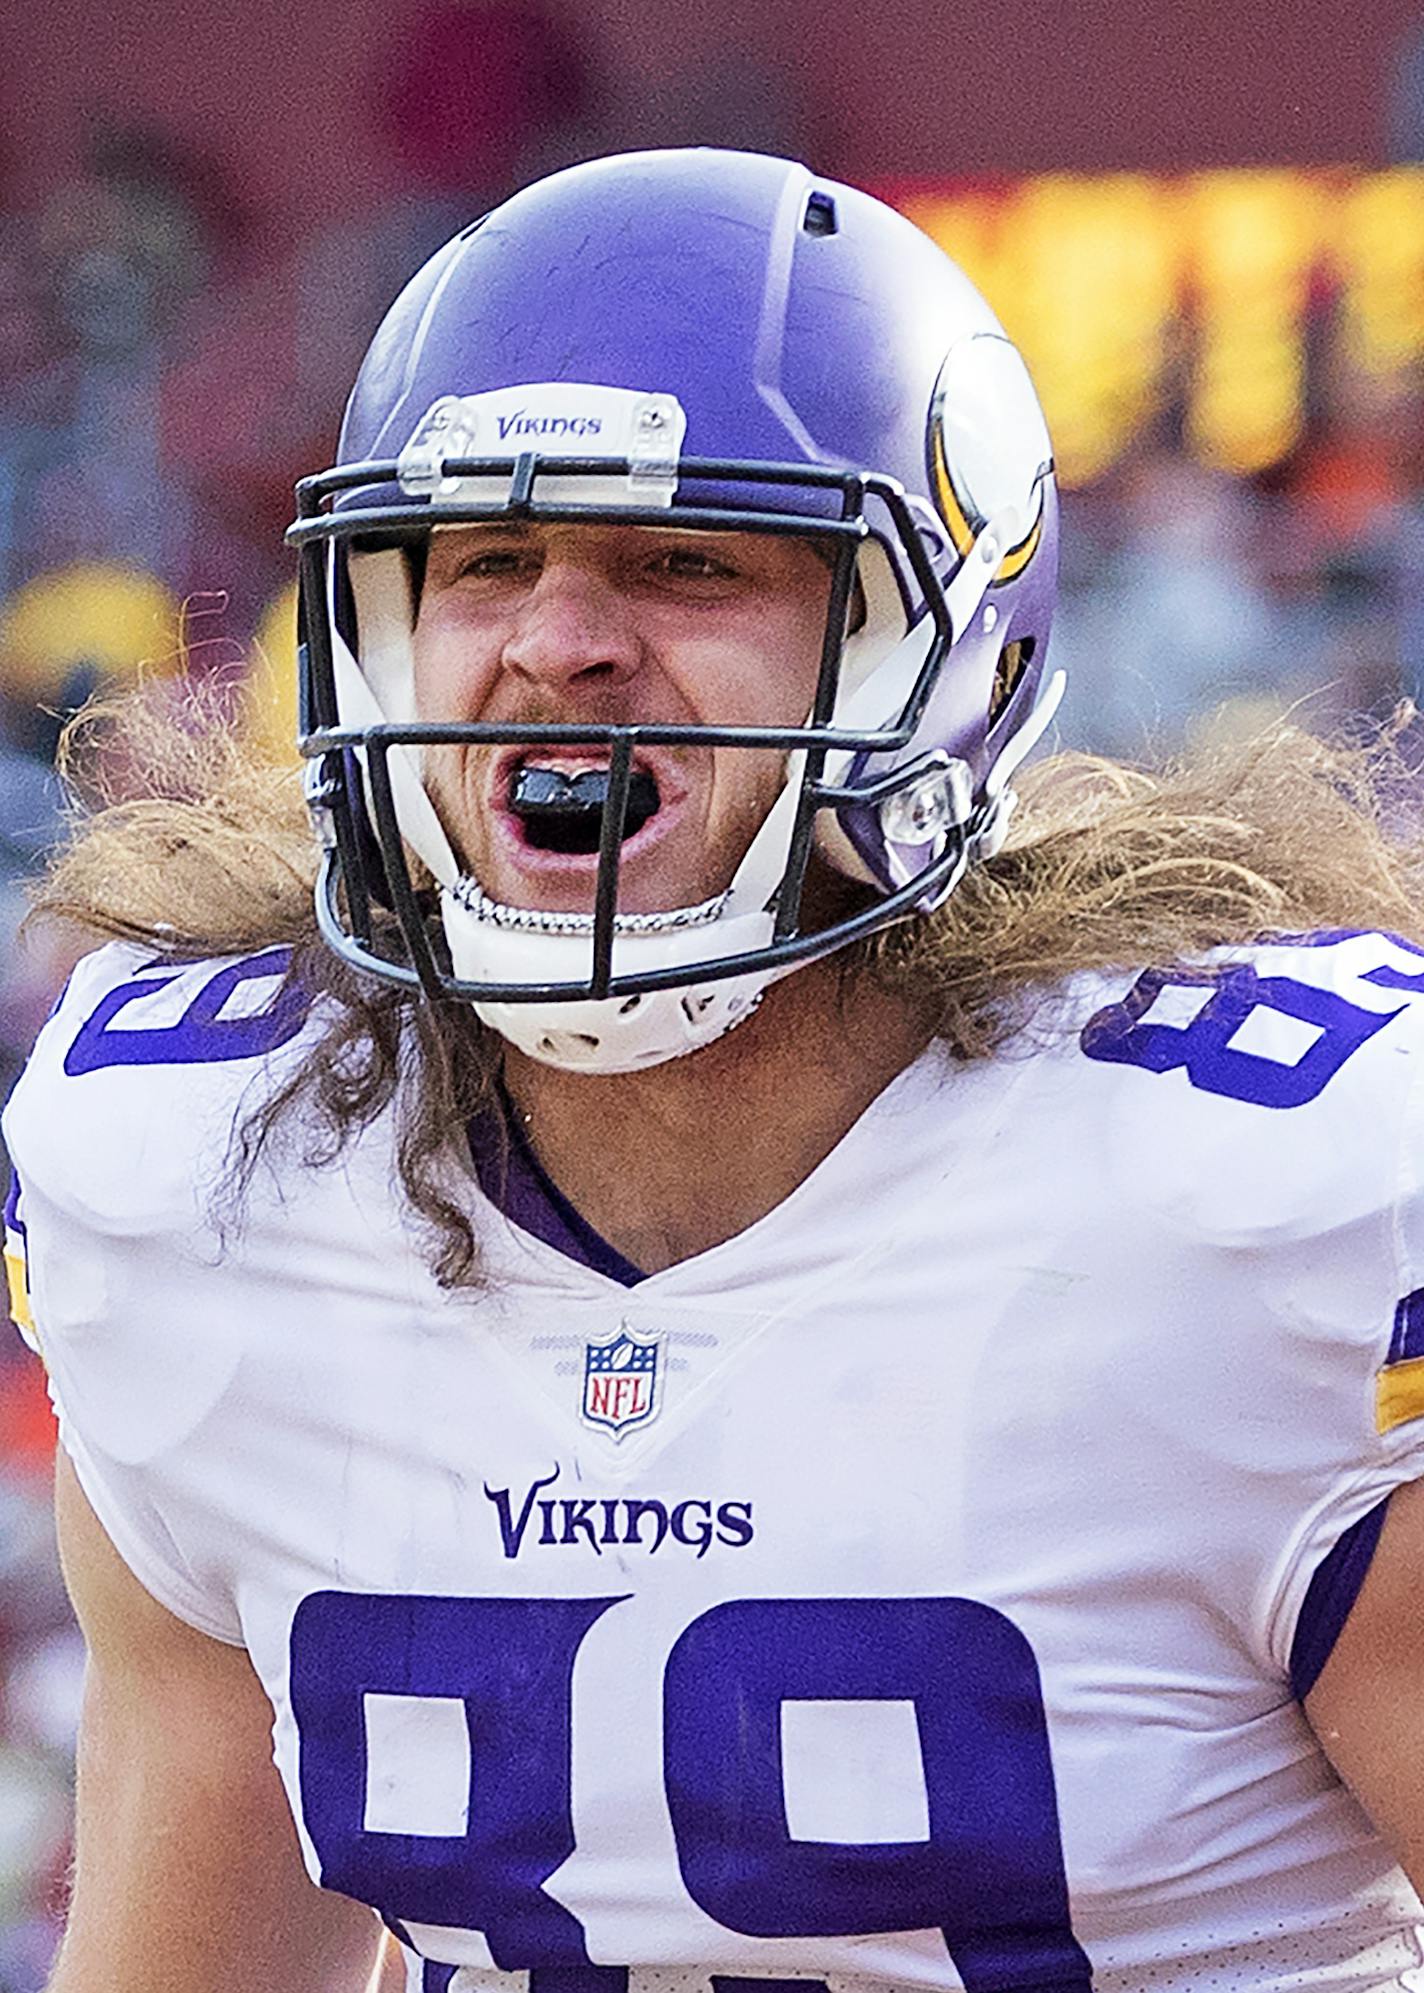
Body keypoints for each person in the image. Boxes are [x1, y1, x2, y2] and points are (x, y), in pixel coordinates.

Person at [6, 146, 1424, 1993]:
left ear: (938, 647)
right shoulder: (199, 1168)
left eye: (685, 560)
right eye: (487, 559)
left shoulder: (1278, 1188)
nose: (556, 640)